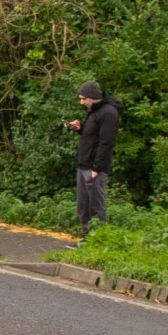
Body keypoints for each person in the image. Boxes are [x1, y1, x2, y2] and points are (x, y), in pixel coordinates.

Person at [65, 80, 120, 235]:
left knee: (96, 205)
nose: (81, 102)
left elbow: (106, 142)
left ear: (92, 97)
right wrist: (80, 128)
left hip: (95, 167)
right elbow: (92, 135)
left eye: (84, 99)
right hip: (84, 162)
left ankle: (98, 238)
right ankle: (85, 236)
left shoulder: (108, 113)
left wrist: (97, 167)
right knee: (83, 205)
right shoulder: (94, 110)